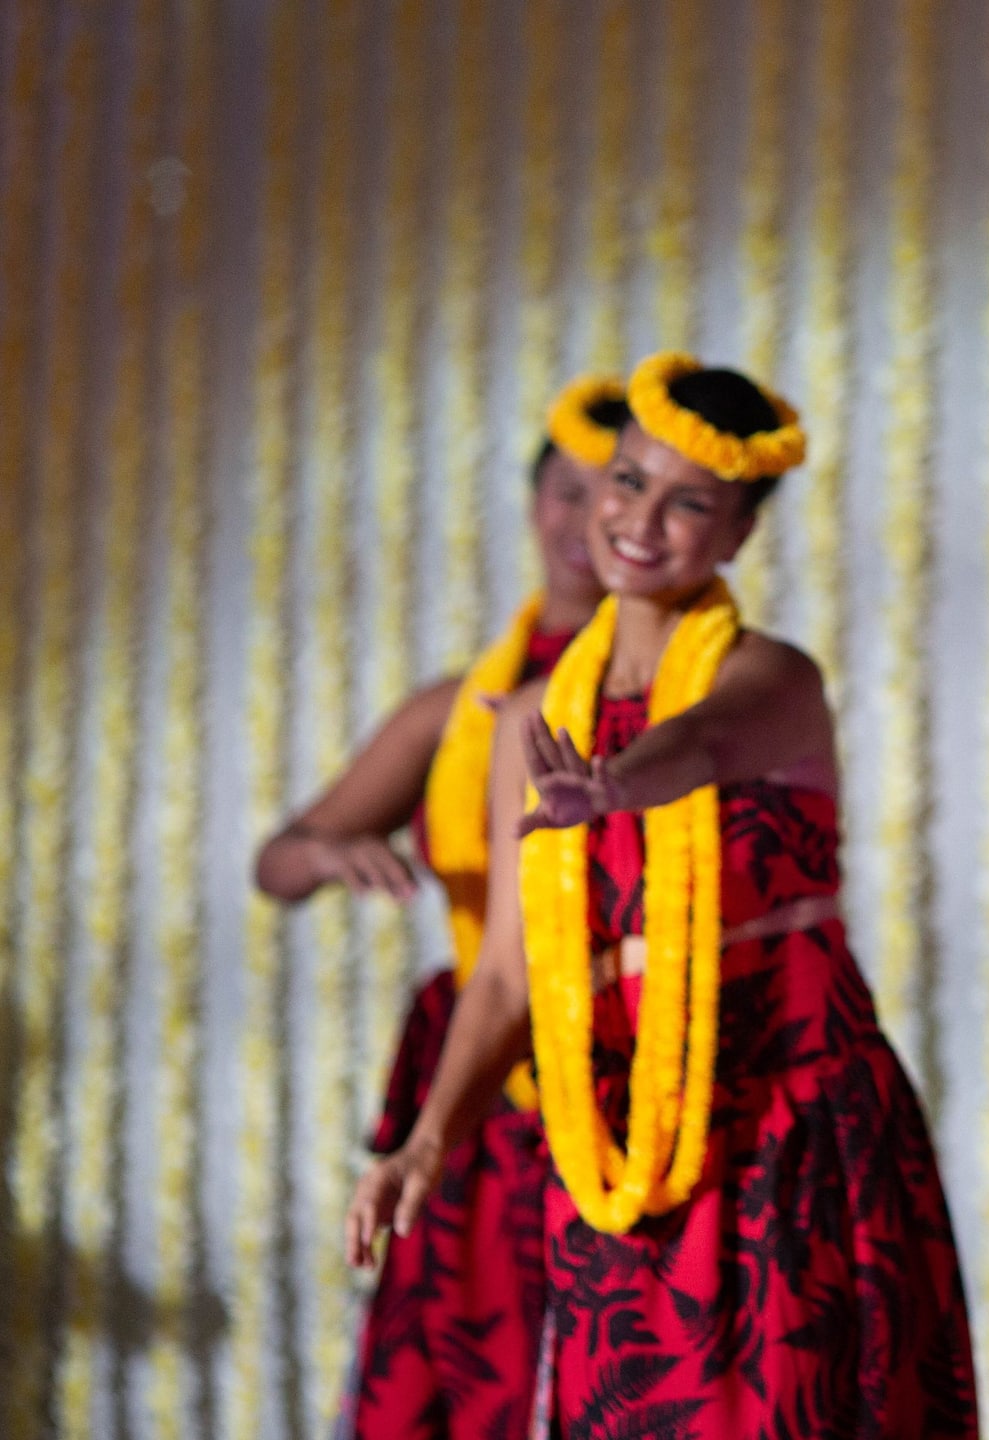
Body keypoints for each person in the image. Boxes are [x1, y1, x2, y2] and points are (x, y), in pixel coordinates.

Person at [345, 352, 977, 1438]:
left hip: (787, 1120)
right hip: (614, 1137)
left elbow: (706, 738)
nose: (640, 518)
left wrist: (617, 783)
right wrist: (429, 1138)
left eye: (691, 501)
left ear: (737, 534)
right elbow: (505, 973)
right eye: (627, 481)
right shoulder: (532, 718)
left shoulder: (774, 680)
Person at [258, 376, 627, 1438]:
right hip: (478, 1064)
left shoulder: (689, 697)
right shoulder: (458, 707)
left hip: (624, 1055)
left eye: (615, 494)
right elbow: (276, 861)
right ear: (532, 505)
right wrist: (328, 849)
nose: (586, 520)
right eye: (566, 491)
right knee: (474, 1377)